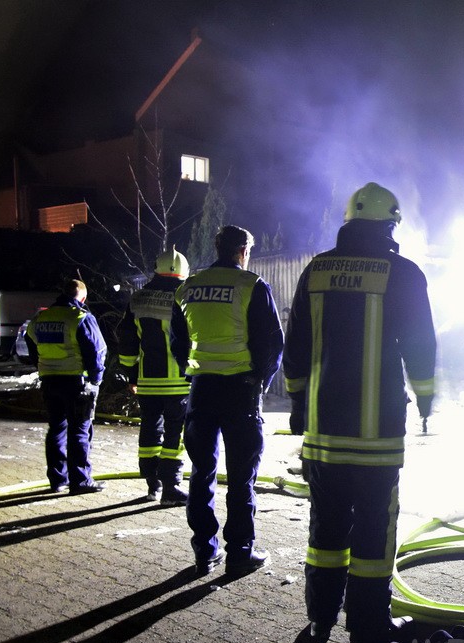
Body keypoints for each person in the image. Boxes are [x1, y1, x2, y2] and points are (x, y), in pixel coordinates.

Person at [283, 182, 436, 643]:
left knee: (326, 529)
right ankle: (368, 628)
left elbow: (297, 347)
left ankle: (319, 615)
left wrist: (296, 404)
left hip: (324, 433)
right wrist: (426, 399)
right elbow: (421, 346)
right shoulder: (403, 273)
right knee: (373, 530)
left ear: (348, 222)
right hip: (378, 434)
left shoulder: (317, 269)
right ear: (389, 225)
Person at [171, 225, 284, 576]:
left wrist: (193, 370)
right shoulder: (251, 285)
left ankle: (205, 551)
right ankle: (239, 552)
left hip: (201, 390)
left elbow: (178, 341)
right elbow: (272, 342)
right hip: (240, 391)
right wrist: (261, 381)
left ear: (217, 246)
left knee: (201, 472)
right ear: (244, 251)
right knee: (240, 476)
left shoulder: (187, 286)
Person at [119, 247, 191, 505]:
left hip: (147, 381)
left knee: (150, 430)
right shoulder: (184, 296)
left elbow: (127, 342)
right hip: (179, 383)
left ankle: (153, 485)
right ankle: (172, 487)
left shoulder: (137, 299)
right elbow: (189, 338)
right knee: (175, 435)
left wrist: (131, 375)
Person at [25, 278, 107, 494]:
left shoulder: (41, 317)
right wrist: (96, 379)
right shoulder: (80, 317)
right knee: (79, 430)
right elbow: (97, 351)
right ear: (83, 297)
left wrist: (42, 365)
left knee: (56, 428)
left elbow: (31, 343)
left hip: (50, 380)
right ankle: (80, 482)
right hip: (76, 381)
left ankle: (57, 480)